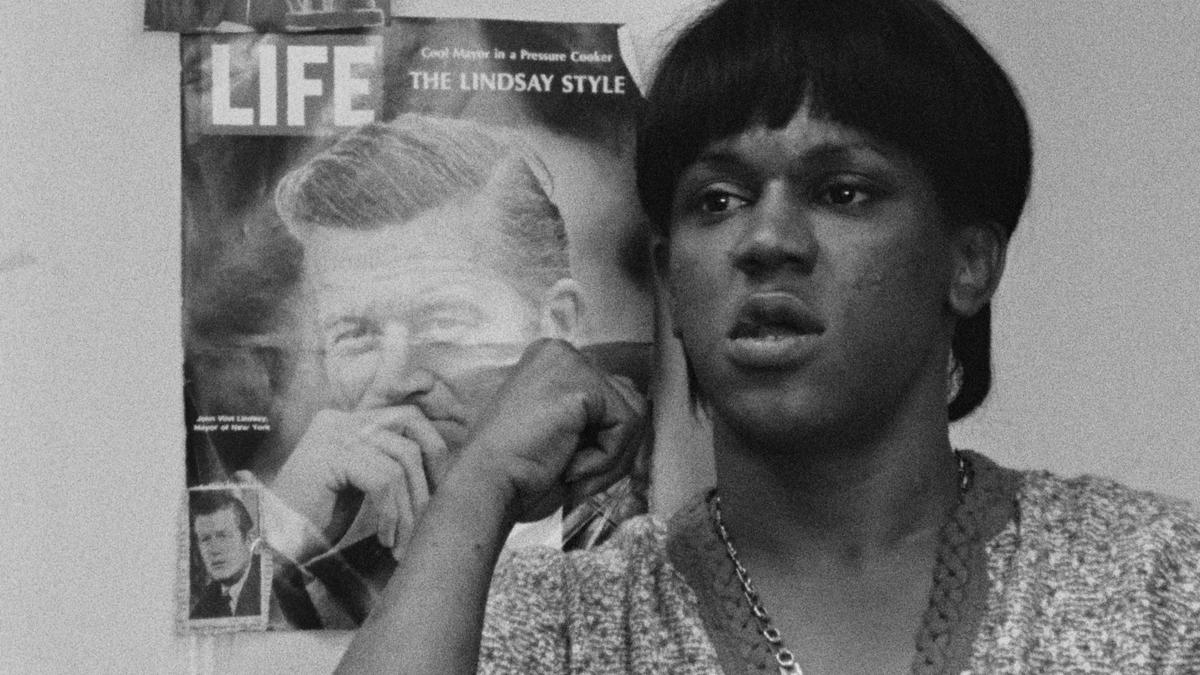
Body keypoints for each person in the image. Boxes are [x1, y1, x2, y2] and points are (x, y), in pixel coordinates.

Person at [339, 0, 1200, 672]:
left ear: (968, 261)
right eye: (716, 199)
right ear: (673, 276)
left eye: (843, 191)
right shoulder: (556, 626)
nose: (764, 239)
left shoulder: (1155, 582)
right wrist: (477, 485)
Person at [260, 113, 649, 626]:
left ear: (557, 323)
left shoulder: (657, 549)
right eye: (356, 334)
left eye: (442, 322)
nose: (394, 378)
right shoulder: (312, 571)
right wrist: (276, 531)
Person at [189, 490, 263, 619]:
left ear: (249, 541)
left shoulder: (272, 587)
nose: (214, 550)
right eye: (205, 539)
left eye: (223, 536)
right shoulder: (204, 606)